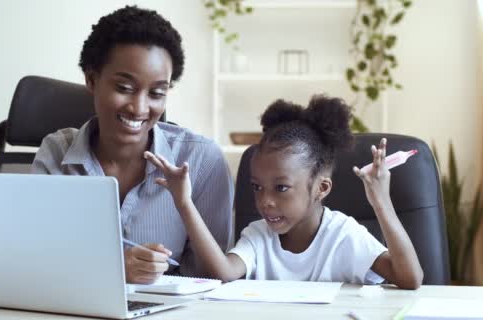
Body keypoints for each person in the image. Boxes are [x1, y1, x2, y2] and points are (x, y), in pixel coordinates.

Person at [31, 6, 233, 284]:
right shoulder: (56, 153)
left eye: (157, 93)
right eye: (124, 88)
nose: (139, 108)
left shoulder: (201, 159)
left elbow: (213, 277)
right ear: (92, 79)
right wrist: (114, 270)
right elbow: (37, 258)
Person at [145, 95, 424, 289]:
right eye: (257, 187)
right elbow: (223, 272)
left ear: (321, 188)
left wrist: (381, 202)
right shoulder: (258, 235)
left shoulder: (344, 235)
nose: (265, 202)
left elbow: (410, 279)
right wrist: (183, 202)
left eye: (281, 188)